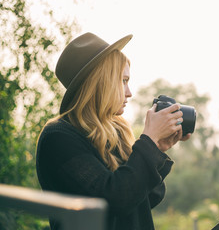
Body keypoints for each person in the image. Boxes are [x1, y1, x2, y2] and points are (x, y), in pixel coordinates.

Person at [36, 32, 191, 230]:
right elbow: (116, 199)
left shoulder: (114, 132)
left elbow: (147, 199)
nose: (129, 92)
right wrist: (149, 140)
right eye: (123, 81)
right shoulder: (58, 137)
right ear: (101, 82)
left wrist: (158, 148)